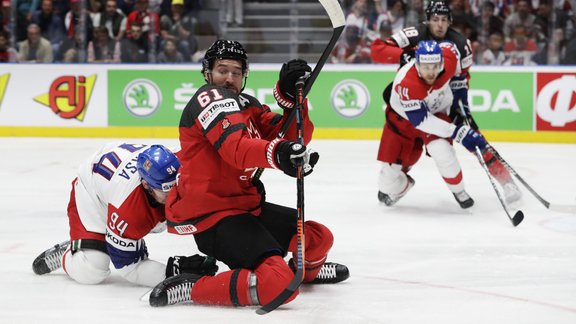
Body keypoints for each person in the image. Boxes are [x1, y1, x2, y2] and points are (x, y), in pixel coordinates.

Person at [148, 40, 349, 308]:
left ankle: (304, 275)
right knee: (278, 286)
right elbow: (236, 149)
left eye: (236, 72)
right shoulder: (207, 98)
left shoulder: (247, 104)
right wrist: (280, 154)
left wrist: (291, 98)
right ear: (207, 73)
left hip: (245, 207)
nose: (229, 78)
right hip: (214, 216)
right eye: (222, 70)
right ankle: (195, 287)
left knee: (317, 238)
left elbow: (292, 135)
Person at [371, 0, 521, 206]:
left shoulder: (459, 45)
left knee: (470, 138)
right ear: (428, 20)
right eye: (435, 20)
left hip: (440, 102)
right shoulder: (413, 35)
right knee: (397, 158)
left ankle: (507, 181)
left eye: (444, 20)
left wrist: (462, 109)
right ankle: (397, 182)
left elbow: (461, 80)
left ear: (450, 21)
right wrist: (408, 54)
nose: (439, 24)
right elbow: (378, 50)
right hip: (408, 104)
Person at [32, 143, 217, 287]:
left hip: (115, 185)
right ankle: (73, 253)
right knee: (93, 270)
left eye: (176, 185)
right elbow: (130, 268)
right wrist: (174, 271)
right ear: (146, 185)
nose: (173, 195)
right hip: (94, 195)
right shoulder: (129, 210)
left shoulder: (182, 163)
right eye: (165, 192)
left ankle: (100, 242)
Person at [377, 40, 487, 208]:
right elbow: (421, 121)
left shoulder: (448, 61)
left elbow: (456, 49)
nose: (431, 72)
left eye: (435, 66)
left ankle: (459, 191)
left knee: (441, 150)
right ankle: (402, 186)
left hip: (436, 113)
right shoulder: (407, 83)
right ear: (417, 64)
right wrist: (456, 131)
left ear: (442, 63)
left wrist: (459, 100)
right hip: (403, 121)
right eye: (426, 67)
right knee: (387, 179)